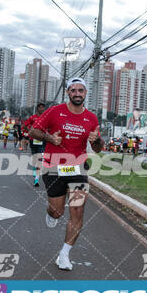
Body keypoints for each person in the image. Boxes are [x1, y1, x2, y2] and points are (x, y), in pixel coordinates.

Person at [29, 77, 104, 271]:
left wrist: (95, 140)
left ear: (85, 93)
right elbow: (33, 131)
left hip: (77, 167)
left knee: (78, 210)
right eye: (73, 90)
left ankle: (64, 254)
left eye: (81, 90)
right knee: (58, 211)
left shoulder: (92, 118)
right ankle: (51, 213)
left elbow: (97, 149)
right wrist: (49, 138)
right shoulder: (55, 111)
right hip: (53, 166)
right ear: (68, 93)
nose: (77, 94)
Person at [24, 103, 47, 186]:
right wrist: (30, 132)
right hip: (33, 140)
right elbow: (25, 125)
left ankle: (36, 179)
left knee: (40, 158)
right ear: (37, 109)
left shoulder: (46, 117)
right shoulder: (33, 117)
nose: (41, 109)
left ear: (44, 109)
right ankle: (34, 168)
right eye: (39, 107)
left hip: (42, 140)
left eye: (42, 107)